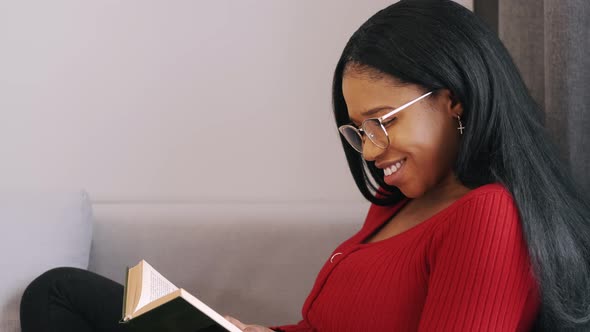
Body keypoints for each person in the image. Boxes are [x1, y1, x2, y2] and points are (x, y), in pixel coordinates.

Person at [20, 0, 590, 331]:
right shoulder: (396, 205)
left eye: (384, 121)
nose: (370, 149)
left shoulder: (487, 216)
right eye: (358, 129)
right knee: (58, 292)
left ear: (454, 100)